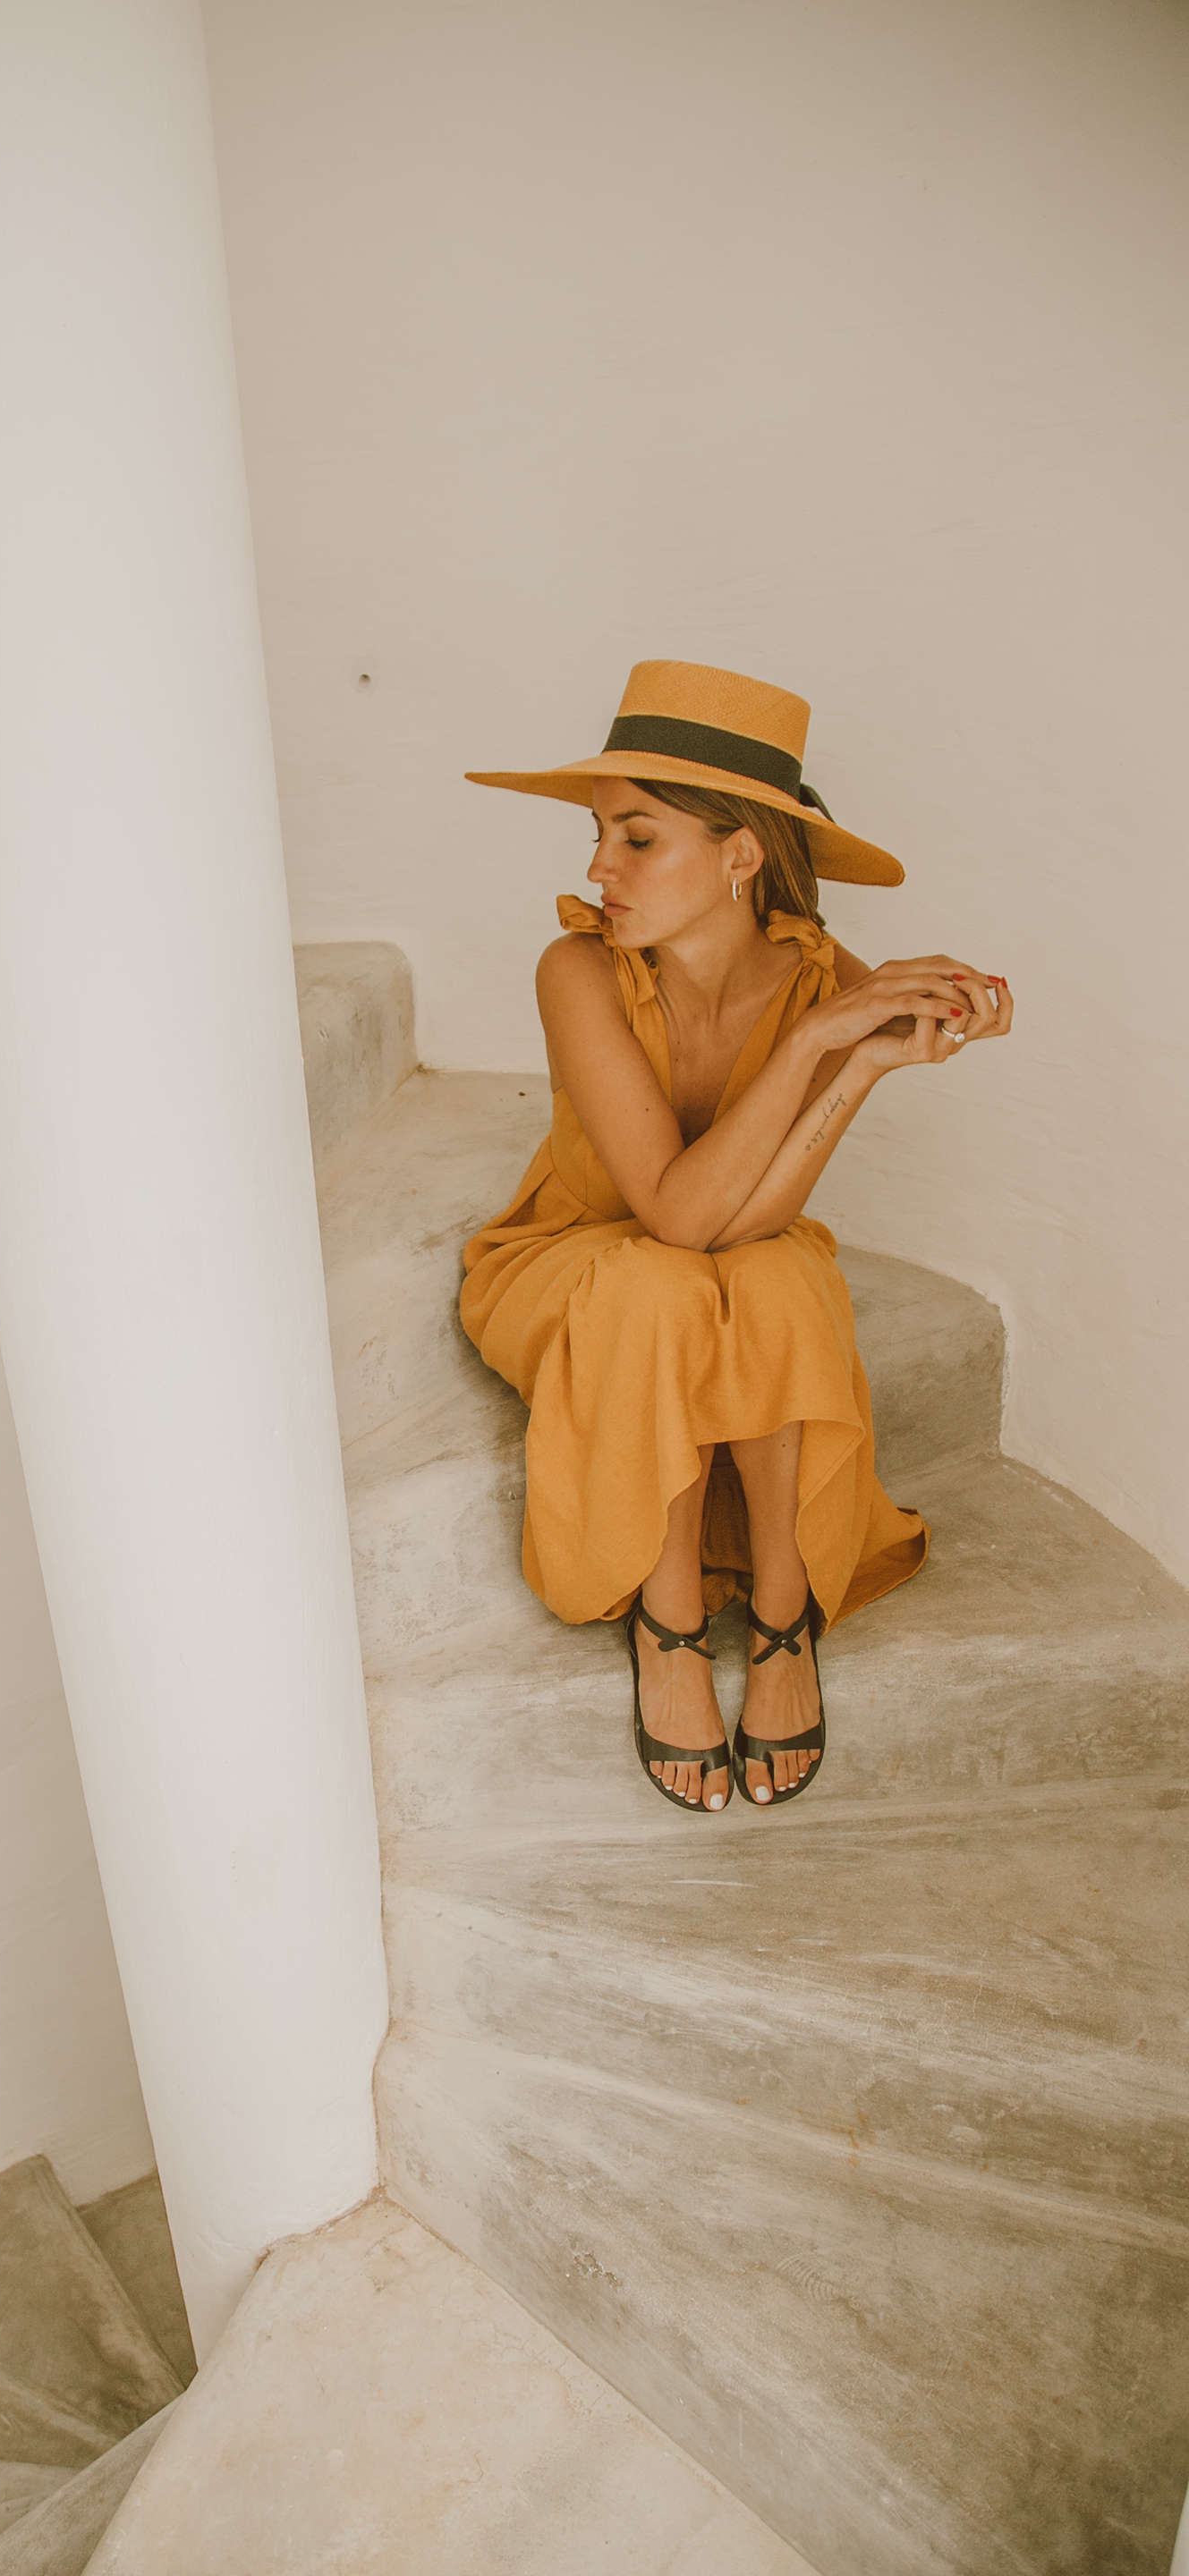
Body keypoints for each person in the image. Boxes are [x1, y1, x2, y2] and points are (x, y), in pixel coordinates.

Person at [461, 659, 1013, 1812]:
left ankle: (781, 1612)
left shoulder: (824, 981)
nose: (599, 867)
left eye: (637, 838)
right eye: (601, 836)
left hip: (725, 1254)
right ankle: (665, 1623)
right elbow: (670, 1215)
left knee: (775, 1279)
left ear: (742, 855)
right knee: (662, 1284)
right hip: (574, 1258)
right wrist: (816, 1045)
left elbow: (751, 1219)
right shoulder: (579, 969)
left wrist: (861, 1060)